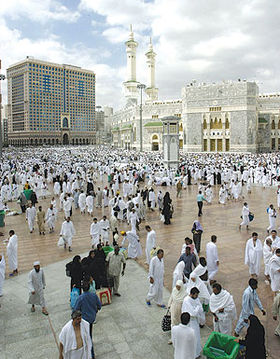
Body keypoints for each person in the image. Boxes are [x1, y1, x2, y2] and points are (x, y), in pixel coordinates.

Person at [74, 281, 101, 359]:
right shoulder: (94, 296)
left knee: (87, 337)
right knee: (89, 335)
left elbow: (75, 309)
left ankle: (91, 354)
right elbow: (99, 306)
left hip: (84, 320)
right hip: (92, 318)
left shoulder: (80, 298)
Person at [181, 287, 204, 358]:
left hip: (195, 321)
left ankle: (196, 353)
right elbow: (193, 313)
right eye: (196, 295)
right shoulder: (186, 300)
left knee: (196, 337)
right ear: (191, 294)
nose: (197, 297)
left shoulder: (196, 299)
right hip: (189, 322)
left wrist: (196, 309)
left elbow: (201, 308)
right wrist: (197, 308)